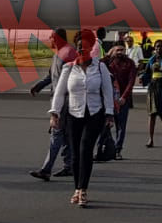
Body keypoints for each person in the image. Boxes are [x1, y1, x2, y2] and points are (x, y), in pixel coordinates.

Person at [48, 39, 116, 207]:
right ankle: (77, 189)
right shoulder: (69, 67)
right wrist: (54, 113)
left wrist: (109, 113)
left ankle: (83, 189)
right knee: (75, 153)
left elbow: (108, 91)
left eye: (85, 48)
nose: (82, 50)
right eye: (79, 48)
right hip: (73, 113)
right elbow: (60, 92)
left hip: (94, 113)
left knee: (85, 149)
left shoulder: (100, 67)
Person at [29, 29, 77, 181]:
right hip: (59, 100)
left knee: (56, 134)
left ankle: (46, 169)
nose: (49, 40)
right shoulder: (59, 54)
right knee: (66, 135)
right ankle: (69, 166)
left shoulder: (69, 53)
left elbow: (72, 78)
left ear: (57, 38)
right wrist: (39, 86)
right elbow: (52, 76)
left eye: (51, 38)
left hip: (65, 101)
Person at [102, 41, 137, 159]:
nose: (120, 52)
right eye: (117, 50)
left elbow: (131, 82)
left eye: (122, 50)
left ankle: (117, 150)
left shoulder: (130, 63)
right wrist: (108, 55)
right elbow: (97, 63)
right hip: (108, 98)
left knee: (121, 126)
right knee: (105, 125)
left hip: (122, 99)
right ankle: (105, 147)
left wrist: (124, 97)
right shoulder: (108, 62)